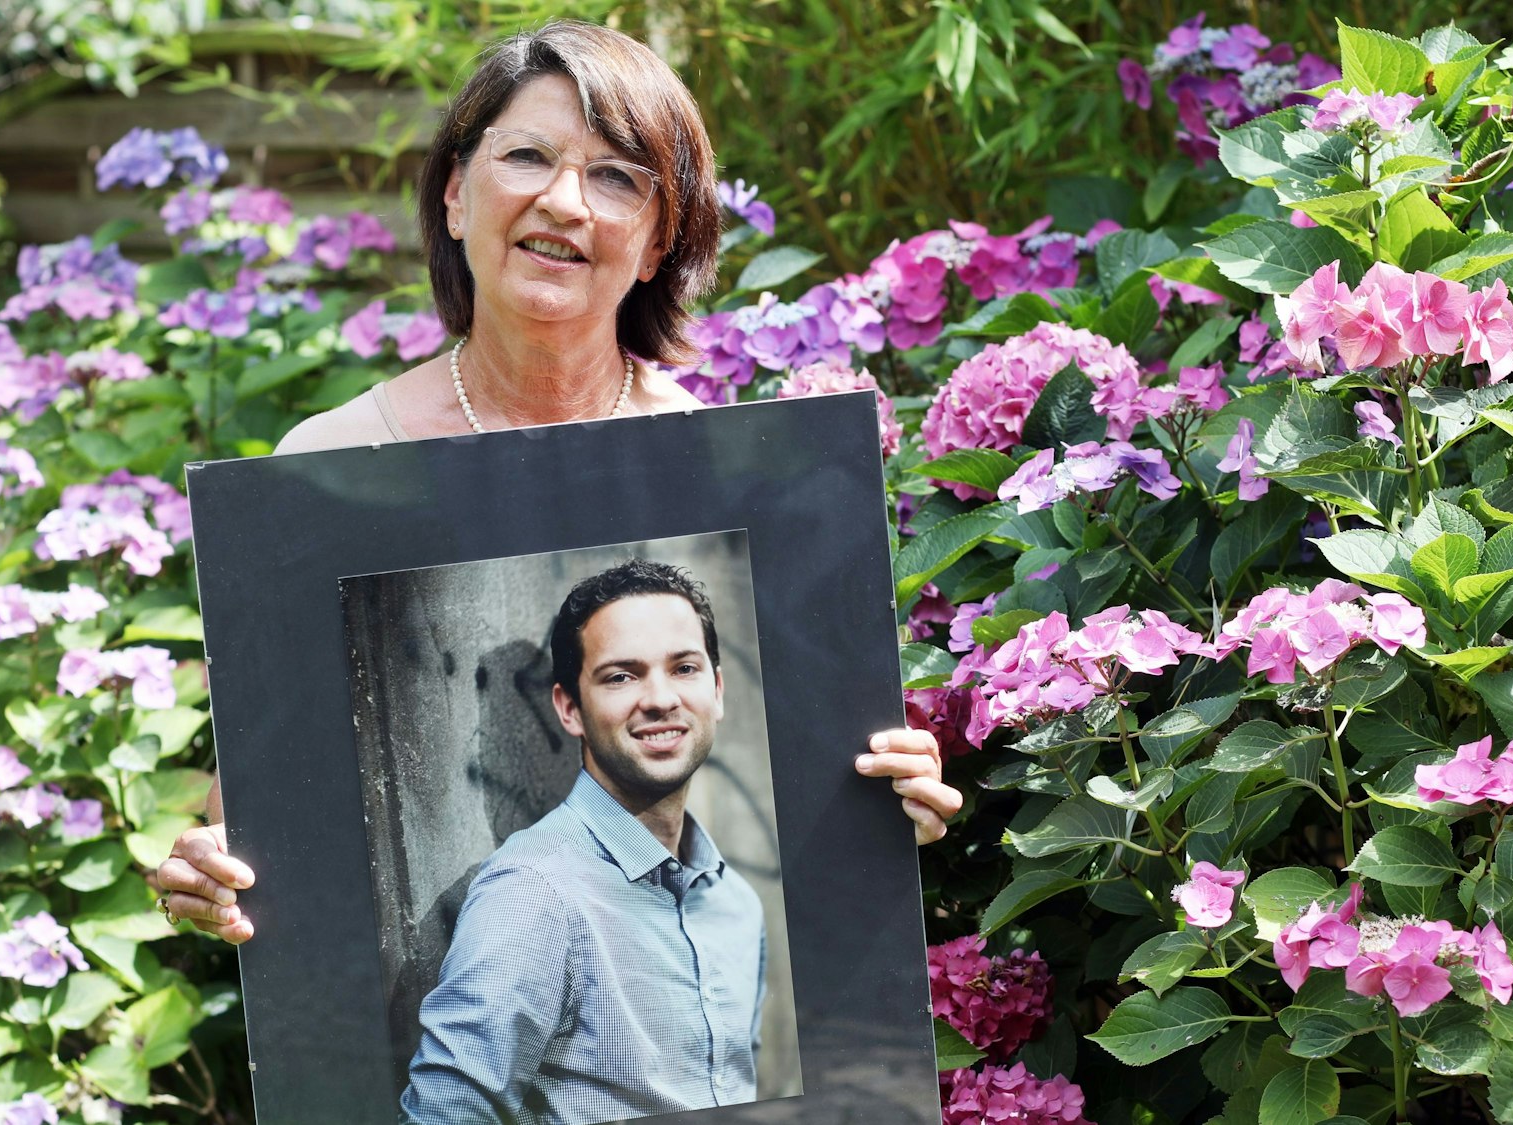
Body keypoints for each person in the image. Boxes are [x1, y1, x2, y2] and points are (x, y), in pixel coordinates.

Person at [153, 20, 960, 945]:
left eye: (617, 176)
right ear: (456, 195)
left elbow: (803, 782)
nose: (565, 201)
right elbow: (257, 816)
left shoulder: (729, 479)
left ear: (660, 242)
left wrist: (876, 800)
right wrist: (209, 869)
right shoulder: (325, 472)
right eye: (528, 156)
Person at [399, 559, 766, 1123]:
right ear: (570, 708)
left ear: (716, 690)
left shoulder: (736, 902)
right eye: (621, 676)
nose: (661, 698)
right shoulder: (533, 895)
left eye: (685, 668)